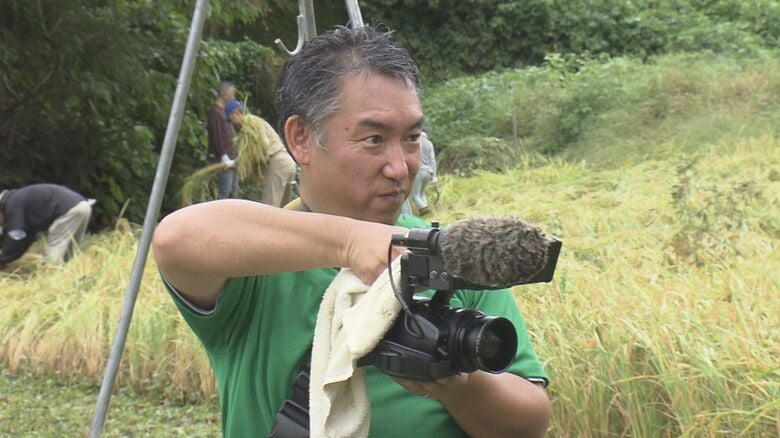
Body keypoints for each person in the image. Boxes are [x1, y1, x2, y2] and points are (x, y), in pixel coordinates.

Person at [153, 25, 550, 437]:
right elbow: (175, 239)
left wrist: (456, 382)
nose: (400, 167)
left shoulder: (443, 256)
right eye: (374, 139)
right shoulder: (259, 264)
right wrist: (350, 242)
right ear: (301, 139)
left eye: (412, 138)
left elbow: (531, 424)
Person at [0, 183, 94, 267]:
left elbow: (16, 236)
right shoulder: (20, 201)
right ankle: (71, 278)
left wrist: (2, 259)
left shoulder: (12, 203)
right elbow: (25, 240)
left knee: (54, 254)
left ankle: (52, 280)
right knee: (70, 252)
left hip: (69, 210)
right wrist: (6, 259)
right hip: (83, 206)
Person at [225, 100, 297, 207]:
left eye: (231, 119)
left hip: (277, 164)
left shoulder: (251, 125)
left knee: (270, 205)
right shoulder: (257, 122)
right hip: (287, 162)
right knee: (284, 206)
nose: (233, 123)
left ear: (235, 114)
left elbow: (259, 150)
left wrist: (236, 164)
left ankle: (268, 224)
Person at [207, 81, 239, 199]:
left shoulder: (225, 112)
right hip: (224, 158)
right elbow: (217, 136)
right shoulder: (215, 112)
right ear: (225, 95)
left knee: (233, 189)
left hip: (232, 156)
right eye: (232, 94)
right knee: (225, 190)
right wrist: (223, 155)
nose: (234, 98)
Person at [405, 128, 438, 216]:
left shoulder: (415, 142)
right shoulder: (429, 143)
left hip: (419, 171)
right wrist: (434, 176)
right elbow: (433, 160)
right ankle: (427, 212)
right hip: (428, 172)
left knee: (415, 194)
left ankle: (425, 212)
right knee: (422, 193)